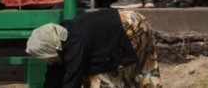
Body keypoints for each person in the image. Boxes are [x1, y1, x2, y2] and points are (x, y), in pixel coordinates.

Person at [26, 8, 161, 87]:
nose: (47, 61)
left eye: (45, 57)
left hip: (129, 28)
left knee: (99, 78)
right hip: (137, 20)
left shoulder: (74, 44)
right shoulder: (58, 38)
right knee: (143, 71)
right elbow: (53, 78)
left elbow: (73, 80)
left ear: (49, 48)